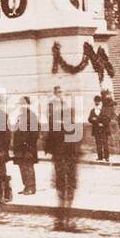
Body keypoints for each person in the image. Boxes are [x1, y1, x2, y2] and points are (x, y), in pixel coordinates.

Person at [45, 90, 82, 230]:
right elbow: (76, 147)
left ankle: (60, 219)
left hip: (60, 161)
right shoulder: (74, 127)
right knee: (69, 188)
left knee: (60, 188)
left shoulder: (55, 127)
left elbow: (48, 146)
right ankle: (68, 218)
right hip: (70, 162)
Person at [11, 95, 40, 195]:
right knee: (22, 168)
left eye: (24, 104)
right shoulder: (20, 116)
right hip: (19, 148)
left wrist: (28, 146)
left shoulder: (32, 116)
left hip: (28, 148)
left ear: (28, 104)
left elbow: (35, 133)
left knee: (28, 167)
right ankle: (26, 186)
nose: (22, 106)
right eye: (21, 104)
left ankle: (31, 187)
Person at [89, 97, 111, 162]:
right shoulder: (93, 110)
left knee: (105, 143)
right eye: (96, 101)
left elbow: (108, 119)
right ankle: (100, 157)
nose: (97, 102)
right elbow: (90, 119)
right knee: (98, 143)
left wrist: (102, 124)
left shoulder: (104, 110)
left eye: (98, 101)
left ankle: (106, 157)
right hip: (96, 129)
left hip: (104, 129)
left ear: (100, 102)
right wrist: (95, 121)